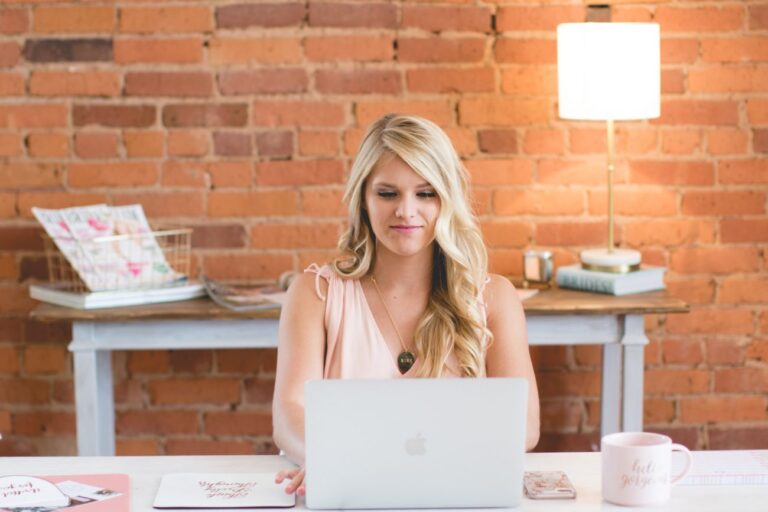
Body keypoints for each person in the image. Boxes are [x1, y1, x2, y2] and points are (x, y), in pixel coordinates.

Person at [272, 114, 540, 496]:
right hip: (349, 493)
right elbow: (288, 414)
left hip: (455, 494)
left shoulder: (495, 298)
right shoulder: (314, 294)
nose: (406, 211)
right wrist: (330, 459)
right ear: (364, 199)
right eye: (387, 193)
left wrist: (405, 463)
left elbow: (526, 426)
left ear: (447, 199)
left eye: (425, 193)